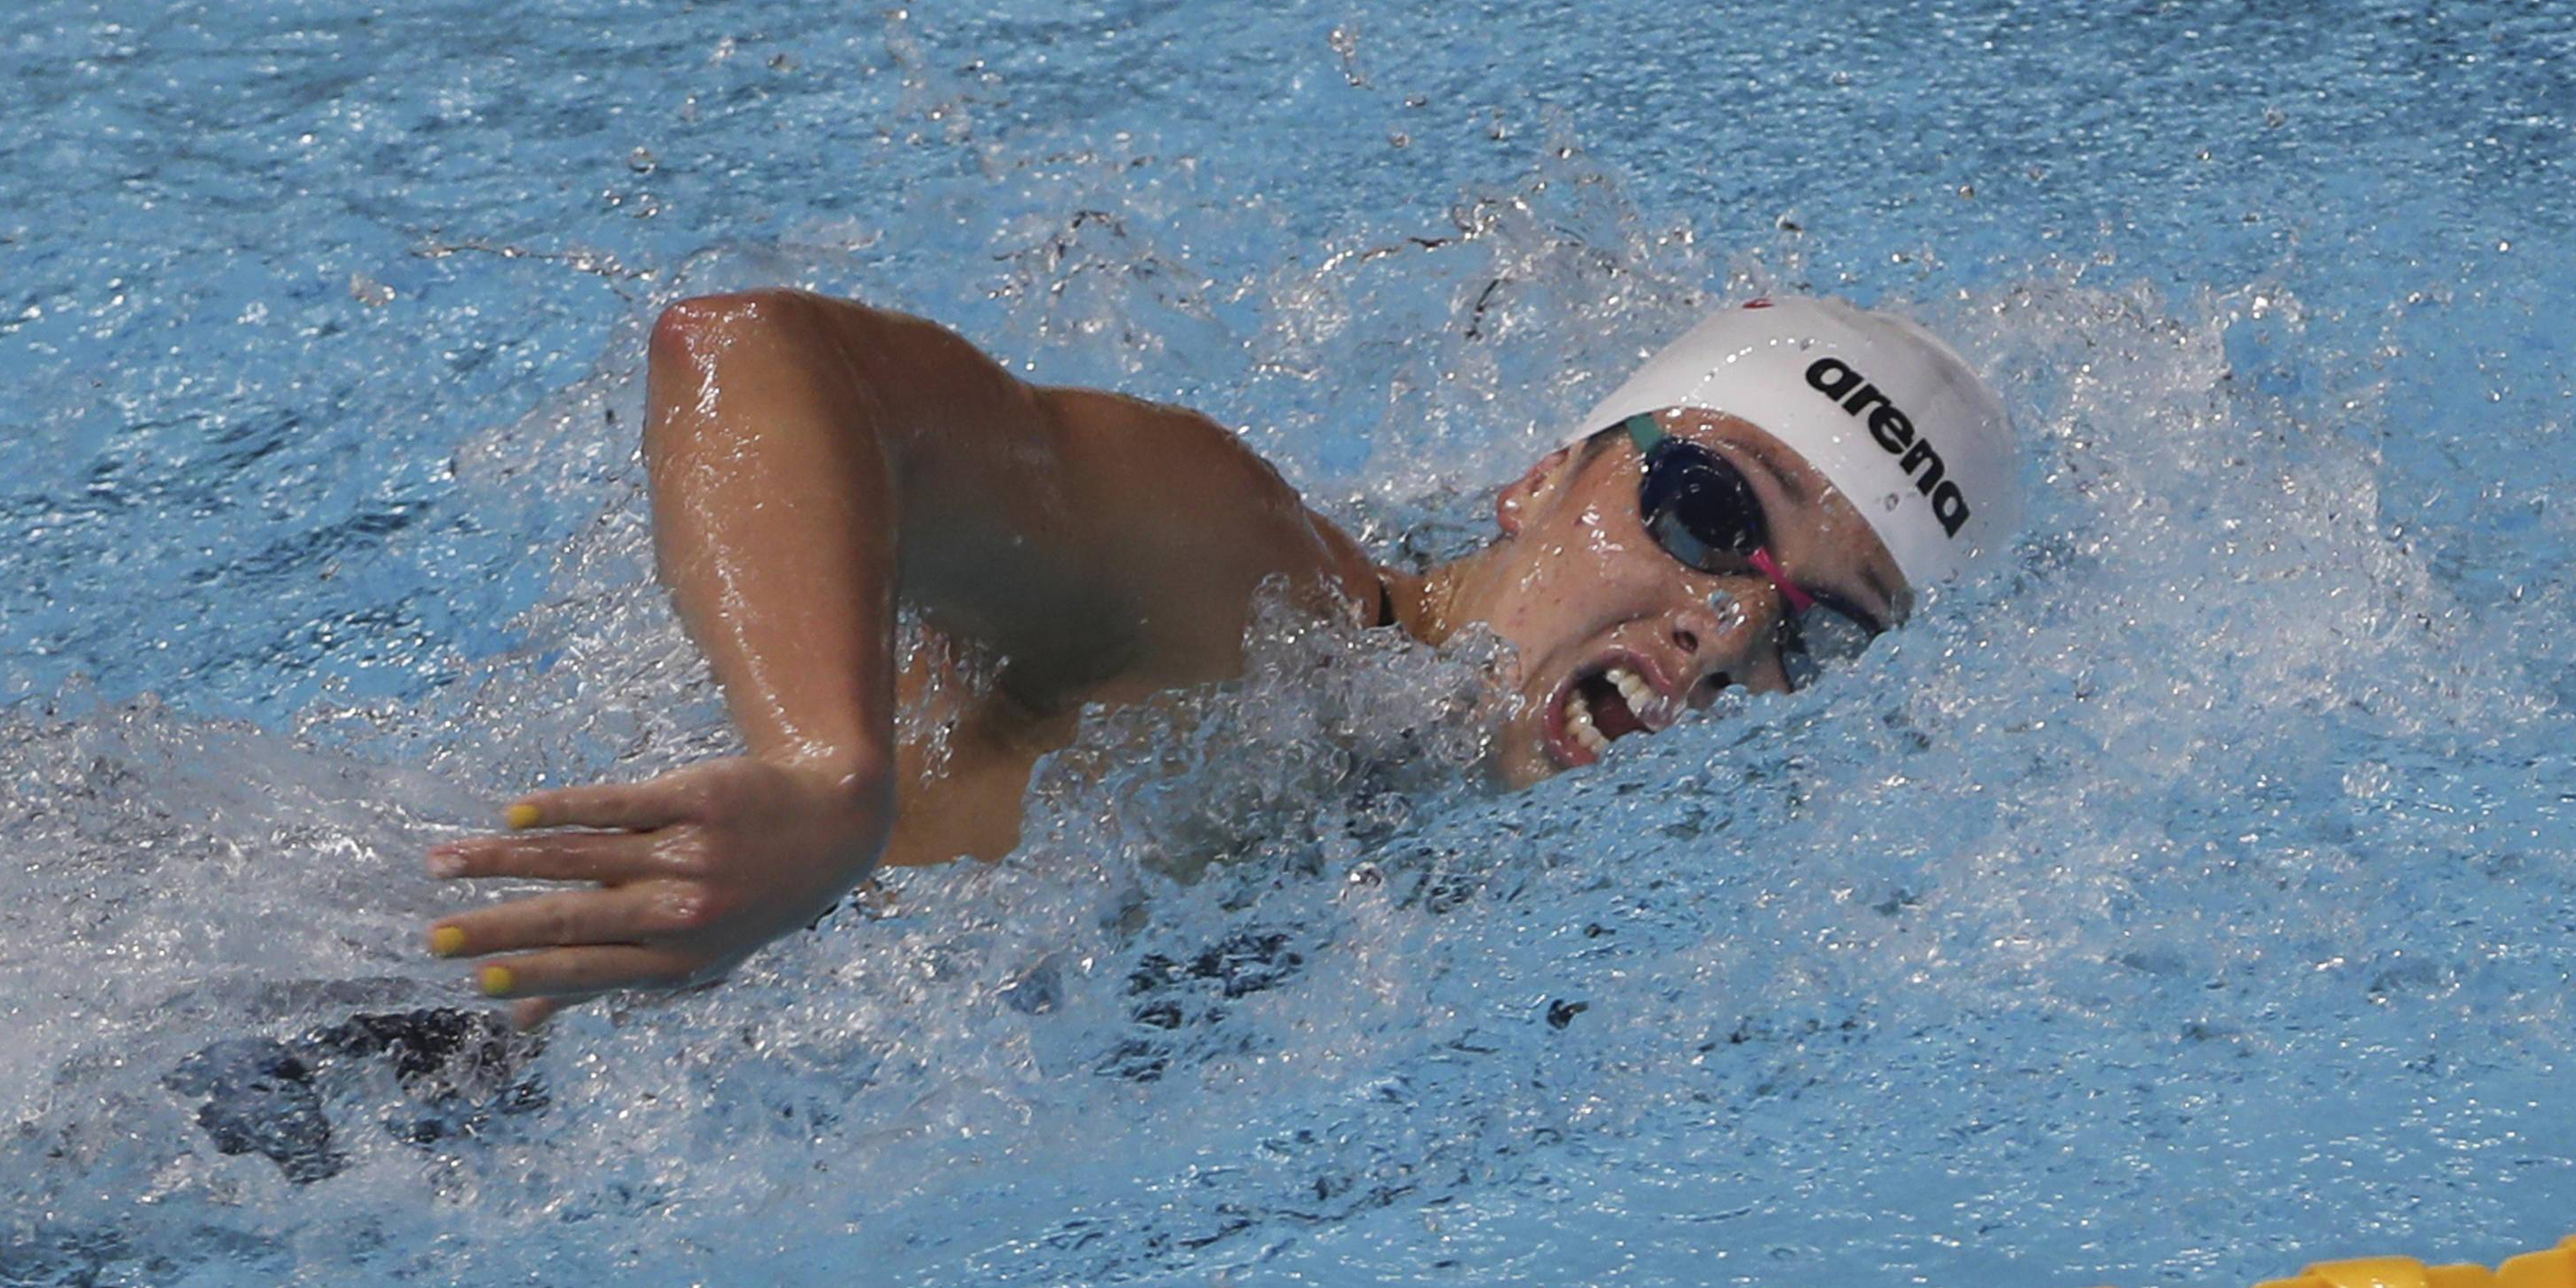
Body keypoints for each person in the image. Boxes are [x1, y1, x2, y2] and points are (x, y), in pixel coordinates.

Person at [427, 289, 2016, 1025]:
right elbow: (745, 353)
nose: (1732, 627)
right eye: (1703, 506)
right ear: (1544, 475)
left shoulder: (1471, 878)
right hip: (352, 1022)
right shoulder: (1248, 594)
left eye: (1825, 632)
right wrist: (816, 768)